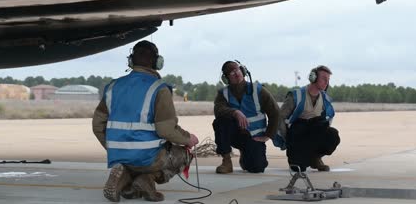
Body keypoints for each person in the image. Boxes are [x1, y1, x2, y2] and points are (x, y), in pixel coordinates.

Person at [92, 40, 199, 202]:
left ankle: (126, 177)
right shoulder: (159, 88)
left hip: (118, 156)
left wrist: (114, 148)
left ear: (131, 60)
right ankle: (147, 179)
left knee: (133, 162)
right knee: (184, 155)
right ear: (157, 62)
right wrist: (188, 138)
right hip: (147, 159)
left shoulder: (113, 86)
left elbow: (97, 125)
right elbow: (166, 130)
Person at [213, 60, 282, 174]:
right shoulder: (223, 93)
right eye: (231, 72)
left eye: (237, 69)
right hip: (235, 135)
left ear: (243, 71)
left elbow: (275, 113)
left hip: (254, 137)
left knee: (257, 168)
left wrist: (268, 136)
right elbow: (218, 110)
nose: (236, 73)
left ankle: (245, 156)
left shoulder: (258, 90)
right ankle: (226, 161)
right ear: (226, 78)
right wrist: (235, 112)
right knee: (221, 121)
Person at [280, 65, 340, 172]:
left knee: (332, 135)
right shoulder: (296, 96)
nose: (327, 82)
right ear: (313, 78)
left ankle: (315, 158)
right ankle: (302, 157)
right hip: (297, 137)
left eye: (328, 80)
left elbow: (327, 121)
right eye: (324, 79)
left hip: (313, 134)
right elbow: (280, 118)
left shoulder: (325, 99)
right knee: (298, 168)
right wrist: (287, 140)